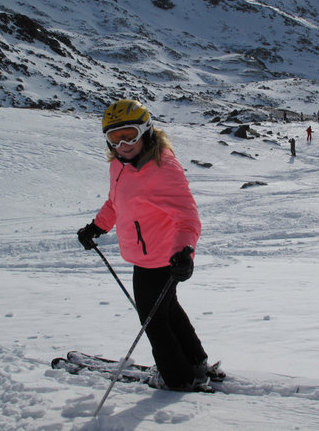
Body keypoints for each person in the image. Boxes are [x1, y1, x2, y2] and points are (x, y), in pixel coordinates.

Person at [77, 99, 222, 391]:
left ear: (145, 130)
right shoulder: (120, 165)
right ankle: (195, 362)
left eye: (129, 135)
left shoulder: (162, 168)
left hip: (159, 257)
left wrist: (184, 252)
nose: (123, 144)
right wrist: (98, 226)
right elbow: (117, 202)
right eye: (114, 138)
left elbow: (188, 217)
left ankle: (176, 377)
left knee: (153, 320)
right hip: (146, 253)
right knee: (167, 310)